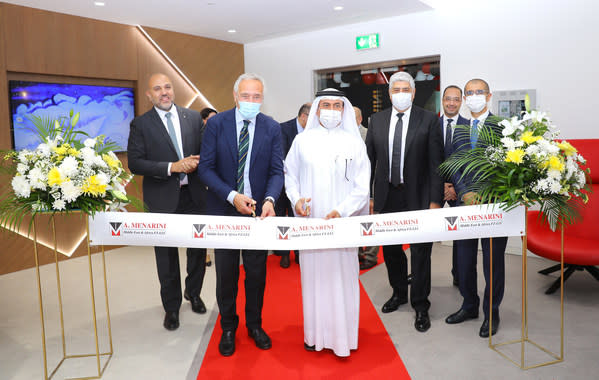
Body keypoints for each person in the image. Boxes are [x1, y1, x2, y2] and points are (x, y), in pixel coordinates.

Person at [197, 73, 284, 356]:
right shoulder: (217, 125)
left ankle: (255, 325)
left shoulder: (271, 127)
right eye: (245, 96)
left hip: (258, 213)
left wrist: (270, 199)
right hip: (224, 209)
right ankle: (228, 327)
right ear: (235, 96)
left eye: (256, 96)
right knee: (226, 274)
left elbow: (275, 170)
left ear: (262, 99)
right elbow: (206, 168)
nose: (250, 101)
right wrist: (232, 196)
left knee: (257, 273)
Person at [285, 88, 370, 357]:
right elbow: (290, 176)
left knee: (342, 278)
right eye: (326, 105)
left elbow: (361, 186)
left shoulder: (354, 142)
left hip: (342, 223)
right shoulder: (302, 141)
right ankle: (314, 335)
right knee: (314, 279)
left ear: (343, 110)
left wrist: (342, 211)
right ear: (317, 109)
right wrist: (296, 200)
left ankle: (343, 338)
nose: (332, 110)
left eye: (337, 105)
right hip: (310, 222)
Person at [127, 73, 208, 331]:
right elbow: (135, 163)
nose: (164, 92)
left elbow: (207, 153)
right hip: (162, 198)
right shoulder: (140, 124)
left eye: (168, 87)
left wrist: (199, 162)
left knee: (197, 252)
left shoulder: (193, 118)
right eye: (158, 89)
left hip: (194, 196)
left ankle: (193, 294)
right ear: (149, 95)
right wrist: (173, 167)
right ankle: (171, 307)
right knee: (166, 256)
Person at [365, 71, 444, 333]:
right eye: (395, 89)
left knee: (421, 253)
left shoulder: (429, 120)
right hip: (387, 196)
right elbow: (369, 163)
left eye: (404, 89)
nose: (400, 94)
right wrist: (370, 198)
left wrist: (435, 201)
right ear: (389, 94)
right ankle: (399, 293)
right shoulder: (376, 120)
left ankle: (421, 304)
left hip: (419, 197)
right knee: (391, 251)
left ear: (412, 92)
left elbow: (436, 165)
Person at [445, 78, 508, 338]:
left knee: (492, 262)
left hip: (493, 205)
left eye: (477, 92)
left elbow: (509, 167)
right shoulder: (458, 127)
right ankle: (469, 305)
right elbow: (454, 164)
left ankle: (491, 312)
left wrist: (483, 193)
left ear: (488, 95)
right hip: (464, 204)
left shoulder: (503, 127)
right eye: (468, 93)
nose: (472, 97)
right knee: (464, 259)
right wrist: (464, 191)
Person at [440, 85, 470, 286]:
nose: (451, 103)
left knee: (461, 237)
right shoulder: (430, 124)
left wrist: (454, 188)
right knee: (424, 234)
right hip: (435, 188)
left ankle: (459, 276)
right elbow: (425, 160)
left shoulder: (470, 126)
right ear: (442, 100)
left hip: (461, 189)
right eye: (448, 98)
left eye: (456, 99)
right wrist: (442, 185)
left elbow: (470, 162)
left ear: (462, 101)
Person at [275, 103, 311, 268]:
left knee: (298, 218)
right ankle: (283, 254)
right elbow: (281, 154)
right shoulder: (283, 128)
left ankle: (298, 252)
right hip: (283, 182)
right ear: (303, 116)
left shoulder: (312, 132)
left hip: (301, 184)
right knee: (282, 218)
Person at [354, 106, 380, 270]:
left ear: (360, 119)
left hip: (370, 186)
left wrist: (371, 194)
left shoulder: (369, 134)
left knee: (372, 222)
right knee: (354, 222)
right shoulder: (342, 136)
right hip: (351, 190)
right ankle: (356, 253)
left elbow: (374, 165)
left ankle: (370, 255)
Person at [200, 109, 218, 268]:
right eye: (211, 119)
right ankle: (205, 253)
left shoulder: (219, 134)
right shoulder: (199, 136)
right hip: (201, 184)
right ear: (203, 120)